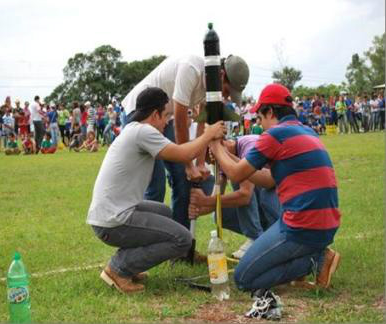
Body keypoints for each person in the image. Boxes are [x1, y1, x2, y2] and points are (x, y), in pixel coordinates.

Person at [209, 83, 341, 316]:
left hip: (300, 225)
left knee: (244, 278)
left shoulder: (274, 135)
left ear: (271, 112)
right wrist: (227, 153)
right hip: (326, 222)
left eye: (260, 117)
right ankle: (316, 255)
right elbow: (267, 180)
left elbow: (238, 174)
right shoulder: (305, 131)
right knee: (260, 265)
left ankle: (316, 260)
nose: (259, 124)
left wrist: (215, 146)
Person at [87, 87, 226, 293]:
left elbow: (181, 154)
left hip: (109, 215)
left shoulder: (134, 129)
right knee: (183, 239)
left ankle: (130, 265)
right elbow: (180, 153)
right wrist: (208, 134)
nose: (167, 122)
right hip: (113, 221)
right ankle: (119, 268)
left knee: (165, 214)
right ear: (155, 114)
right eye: (167, 116)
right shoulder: (144, 132)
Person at [121, 54, 249, 261]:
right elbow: (181, 119)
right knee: (155, 185)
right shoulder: (191, 69)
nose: (226, 97)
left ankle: (180, 249)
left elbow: (200, 123)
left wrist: (199, 164)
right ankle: (143, 253)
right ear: (221, 75)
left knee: (182, 181)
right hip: (139, 114)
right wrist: (188, 164)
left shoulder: (212, 88)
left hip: (164, 118)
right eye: (227, 91)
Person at [189, 135, 281, 259]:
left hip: (278, 201)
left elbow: (245, 195)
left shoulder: (249, 146)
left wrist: (206, 201)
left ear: (221, 144)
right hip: (267, 207)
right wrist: (198, 209)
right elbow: (215, 200)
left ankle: (255, 239)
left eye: (209, 156)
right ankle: (265, 237)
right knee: (219, 215)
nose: (209, 162)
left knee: (239, 175)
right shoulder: (223, 161)